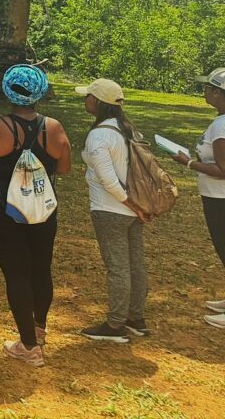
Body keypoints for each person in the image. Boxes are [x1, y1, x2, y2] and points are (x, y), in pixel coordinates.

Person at [0, 64, 71, 367]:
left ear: (8, 91)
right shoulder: (54, 127)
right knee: (41, 269)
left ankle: (28, 346)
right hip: (44, 211)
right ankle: (39, 329)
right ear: (39, 93)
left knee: (17, 273)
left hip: (5, 212)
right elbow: (63, 168)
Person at [76, 78, 152, 342]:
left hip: (111, 209)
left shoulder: (99, 135)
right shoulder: (128, 130)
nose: (84, 100)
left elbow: (108, 180)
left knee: (117, 267)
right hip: (132, 211)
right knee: (134, 264)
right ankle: (135, 318)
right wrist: (138, 206)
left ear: (98, 102)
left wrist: (131, 203)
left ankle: (116, 324)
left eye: (87, 96)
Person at [167, 67, 225, 329]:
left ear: (218, 93)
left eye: (209, 88)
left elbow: (222, 170)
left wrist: (188, 163)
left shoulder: (221, 126)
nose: (205, 92)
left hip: (220, 197)